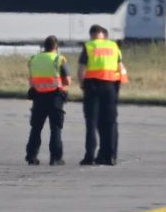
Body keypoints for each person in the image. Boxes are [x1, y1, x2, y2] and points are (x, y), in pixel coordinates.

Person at [78, 25, 127, 166]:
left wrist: (82, 85)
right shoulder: (113, 46)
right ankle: (110, 156)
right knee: (110, 122)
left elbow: (81, 69)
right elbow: (120, 68)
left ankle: (89, 156)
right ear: (104, 35)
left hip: (92, 87)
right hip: (110, 87)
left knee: (92, 122)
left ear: (91, 34)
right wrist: (117, 88)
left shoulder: (89, 46)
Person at [25, 35, 71, 165]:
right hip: (55, 97)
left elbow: (31, 78)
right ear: (56, 47)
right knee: (55, 128)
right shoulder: (59, 59)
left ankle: (31, 156)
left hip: (38, 97)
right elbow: (67, 80)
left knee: (36, 128)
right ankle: (55, 158)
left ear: (44, 46)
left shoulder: (34, 59)